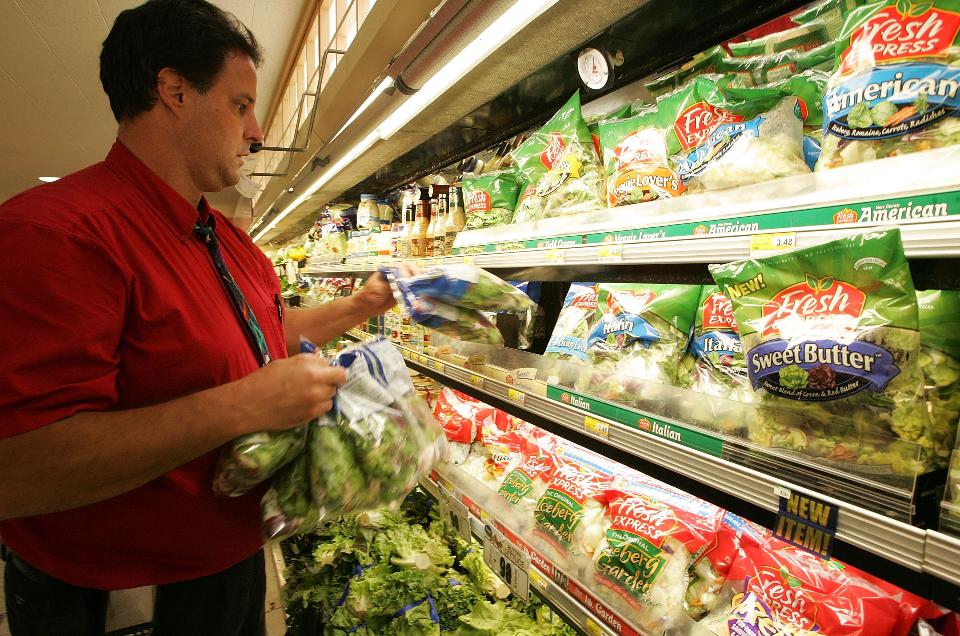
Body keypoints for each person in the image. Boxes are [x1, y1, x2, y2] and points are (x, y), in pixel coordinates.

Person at [0, 1, 396, 634]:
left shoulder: (230, 245)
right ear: (175, 92)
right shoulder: (60, 233)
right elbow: (19, 468)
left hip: (228, 577)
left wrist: (359, 306)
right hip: (124, 602)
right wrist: (243, 405)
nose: (258, 130)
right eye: (241, 105)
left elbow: (254, 334)